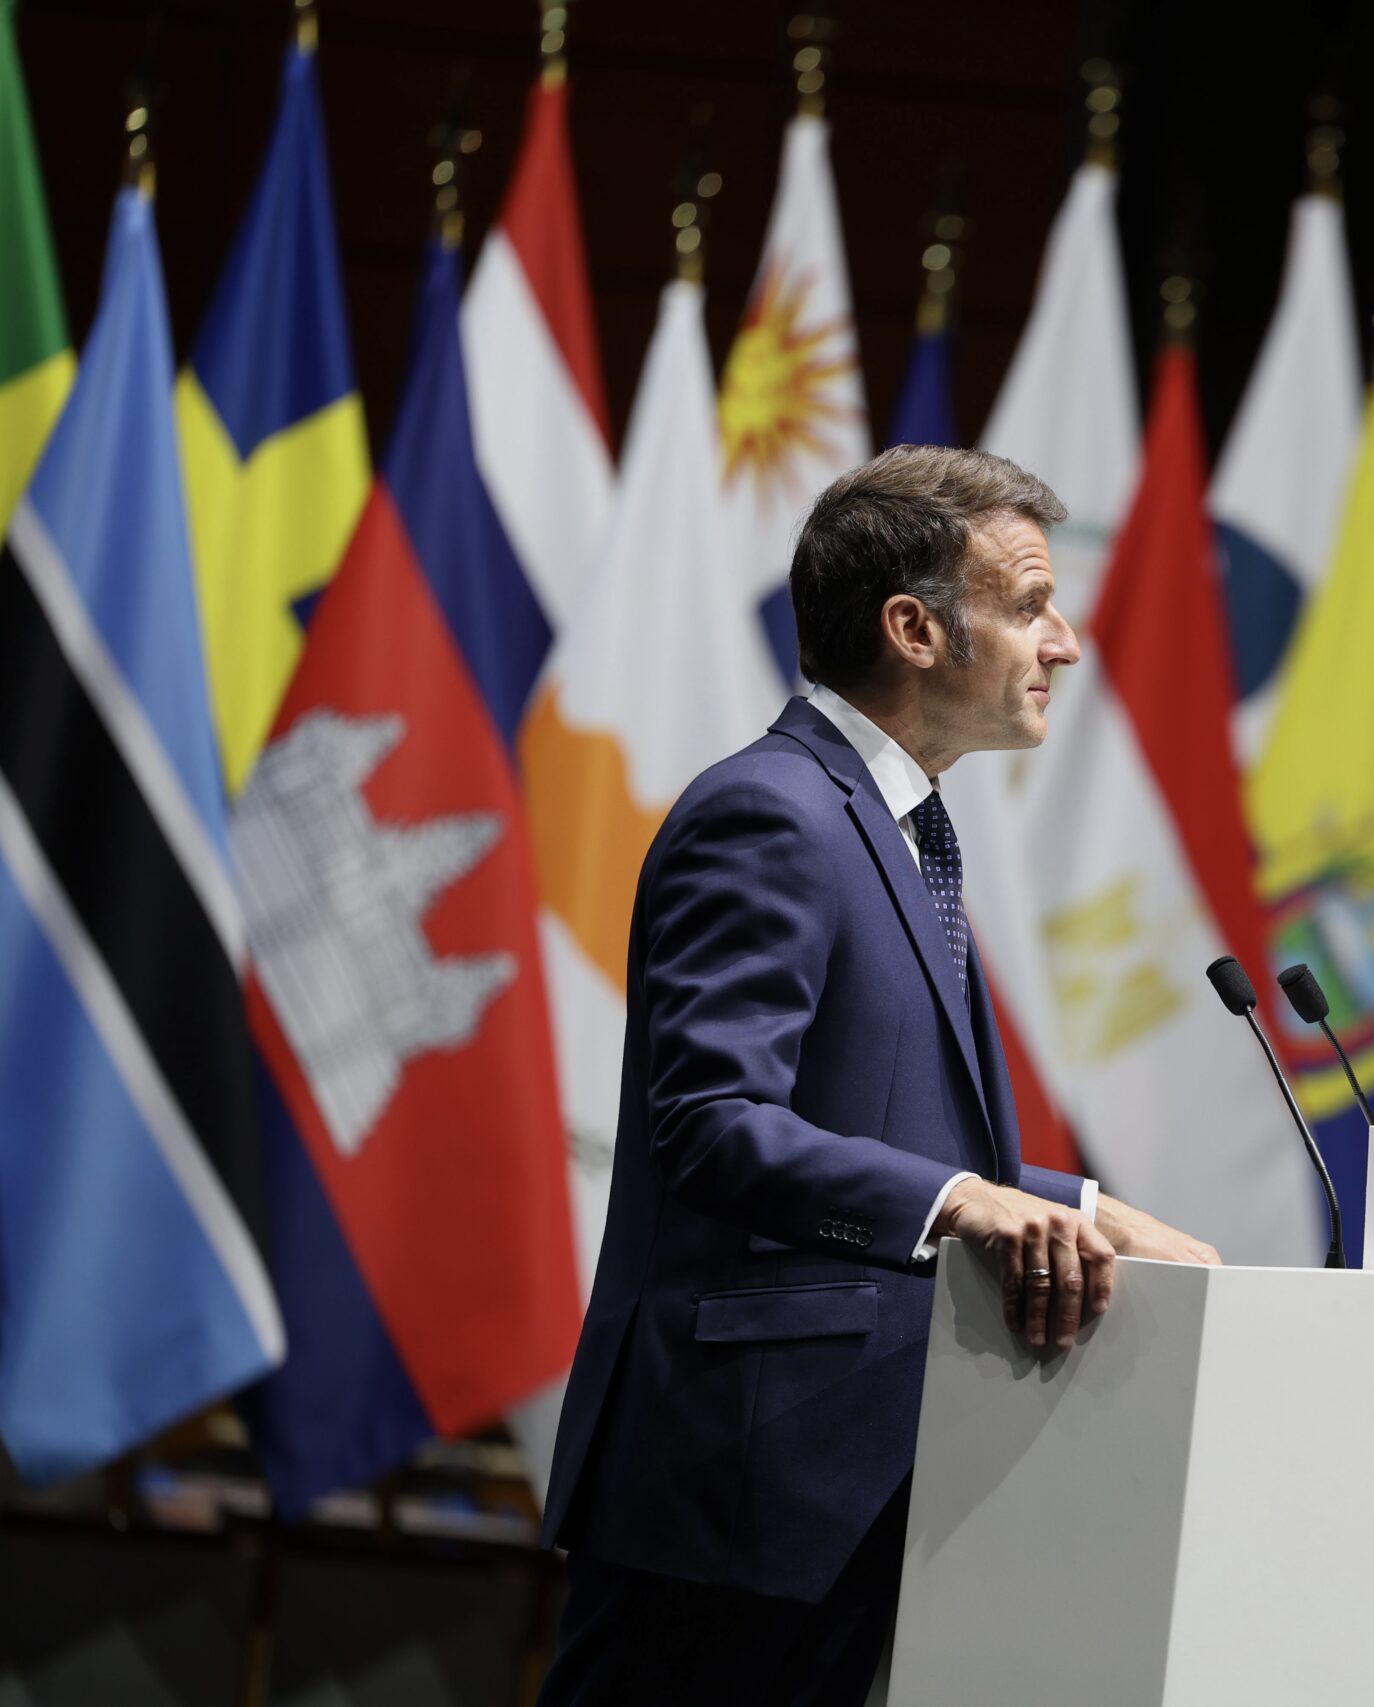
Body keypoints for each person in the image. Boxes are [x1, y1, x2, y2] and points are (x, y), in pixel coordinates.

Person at [536, 445, 1222, 1706]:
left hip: (862, 1483)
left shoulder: (899, 826)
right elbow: (712, 1123)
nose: (1063, 643)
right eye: (1027, 605)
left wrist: (1072, 1206)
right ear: (913, 628)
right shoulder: (772, 813)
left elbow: (873, 1116)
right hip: (740, 1484)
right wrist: (968, 1204)